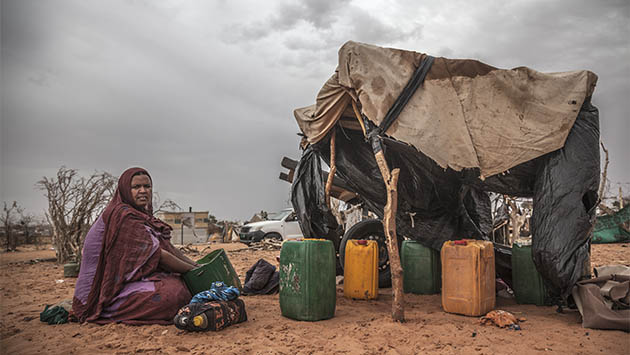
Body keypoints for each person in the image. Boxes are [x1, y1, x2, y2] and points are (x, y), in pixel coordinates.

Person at [72, 167, 198, 324]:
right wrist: (193, 271)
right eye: (136, 187)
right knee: (171, 296)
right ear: (125, 190)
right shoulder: (122, 216)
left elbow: (167, 247)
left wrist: (198, 267)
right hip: (101, 292)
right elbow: (159, 255)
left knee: (179, 284)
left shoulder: (140, 215)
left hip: (123, 281)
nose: (143, 191)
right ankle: (111, 311)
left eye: (147, 186)